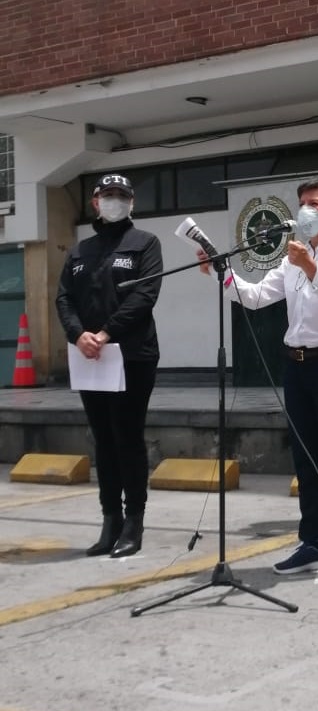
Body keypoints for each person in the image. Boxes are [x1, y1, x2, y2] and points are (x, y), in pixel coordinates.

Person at [199, 176, 318, 583]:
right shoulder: (292, 257)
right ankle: (312, 543)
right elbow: (256, 296)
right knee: (306, 460)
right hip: (299, 365)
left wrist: (309, 265)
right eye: (301, 204)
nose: (303, 212)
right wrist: (219, 275)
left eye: (312, 204)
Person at [55, 174, 162, 558]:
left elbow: (144, 296)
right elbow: (64, 299)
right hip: (90, 358)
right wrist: (78, 334)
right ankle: (110, 520)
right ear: (95, 203)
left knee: (127, 438)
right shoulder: (82, 250)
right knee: (102, 439)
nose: (114, 201)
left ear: (131, 202)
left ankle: (134, 522)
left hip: (131, 355)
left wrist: (105, 333)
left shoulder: (145, 244)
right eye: (107, 195)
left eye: (121, 195)